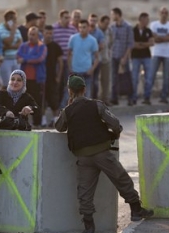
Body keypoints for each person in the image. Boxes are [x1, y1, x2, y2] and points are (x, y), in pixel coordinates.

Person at [54, 75, 154, 233]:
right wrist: (114, 133)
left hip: (83, 157)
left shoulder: (68, 111)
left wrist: (66, 109)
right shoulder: (96, 105)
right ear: (84, 89)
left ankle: (89, 226)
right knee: (122, 179)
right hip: (102, 152)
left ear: (69, 91)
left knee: (85, 192)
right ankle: (136, 210)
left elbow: (59, 127)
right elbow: (115, 124)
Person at [17, 26, 47, 128]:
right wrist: (30, 58)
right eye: (30, 34)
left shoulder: (42, 46)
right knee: (23, 100)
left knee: (37, 101)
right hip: (24, 80)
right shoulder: (23, 46)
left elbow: (39, 58)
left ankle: (37, 123)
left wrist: (25, 59)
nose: (31, 36)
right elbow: (18, 56)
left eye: (34, 34)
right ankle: (23, 122)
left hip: (37, 79)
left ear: (38, 36)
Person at [149, 7, 169, 104]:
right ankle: (147, 96)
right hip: (156, 52)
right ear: (159, 14)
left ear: (168, 14)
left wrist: (159, 37)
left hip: (167, 54)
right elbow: (153, 37)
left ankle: (164, 96)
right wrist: (165, 37)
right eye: (162, 12)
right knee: (151, 75)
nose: (164, 14)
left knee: (166, 76)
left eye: (166, 12)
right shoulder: (153, 24)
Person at [68, 19, 99, 99]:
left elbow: (97, 57)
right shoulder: (73, 38)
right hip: (75, 71)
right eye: (80, 27)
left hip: (86, 72)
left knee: (87, 96)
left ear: (88, 28)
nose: (82, 29)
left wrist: (92, 69)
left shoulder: (92, 40)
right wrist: (70, 67)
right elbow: (69, 54)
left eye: (84, 27)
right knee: (74, 96)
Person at [53, 10, 78, 108]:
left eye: (69, 18)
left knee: (68, 84)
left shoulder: (73, 30)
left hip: (69, 61)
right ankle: (56, 105)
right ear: (60, 18)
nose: (68, 20)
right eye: (65, 18)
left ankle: (65, 105)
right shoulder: (54, 28)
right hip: (57, 61)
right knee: (57, 83)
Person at [110, 7, 134, 106]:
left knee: (127, 77)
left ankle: (130, 98)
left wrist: (125, 57)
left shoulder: (128, 26)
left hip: (124, 55)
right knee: (114, 78)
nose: (112, 16)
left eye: (113, 14)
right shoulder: (112, 27)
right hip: (113, 55)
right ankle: (114, 98)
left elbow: (130, 43)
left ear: (117, 14)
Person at [131, 13, 154, 105]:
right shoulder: (133, 30)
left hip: (146, 56)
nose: (147, 22)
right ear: (140, 20)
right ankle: (133, 97)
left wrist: (140, 44)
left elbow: (152, 43)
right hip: (135, 57)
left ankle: (147, 97)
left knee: (148, 78)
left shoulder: (148, 31)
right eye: (145, 20)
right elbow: (132, 44)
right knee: (134, 78)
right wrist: (145, 44)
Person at [0, 10, 22, 88]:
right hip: (5, 60)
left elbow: (20, 43)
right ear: (8, 20)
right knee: (7, 85)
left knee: (17, 84)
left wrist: (9, 47)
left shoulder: (16, 29)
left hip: (15, 59)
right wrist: (13, 31)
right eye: (14, 19)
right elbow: (8, 42)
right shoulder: (0, 29)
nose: (15, 21)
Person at [43, 25, 63, 126]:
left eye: (51, 33)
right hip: (41, 78)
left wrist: (58, 76)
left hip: (52, 77)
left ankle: (56, 120)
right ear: (43, 33)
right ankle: (43, 120)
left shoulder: (56, 46)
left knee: (54, 99)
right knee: (42, 98)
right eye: (47, 33)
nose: (49, 35)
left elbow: (60, 63)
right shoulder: (40, 45)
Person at [88, 14, 105, 99]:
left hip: (95, 60)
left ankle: (94, 98)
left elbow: (101, 46)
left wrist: (92, 48)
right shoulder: (85, 31)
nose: (92, 22)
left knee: (95, 81)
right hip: (86, 61)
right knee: (87, 81)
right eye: (91, 20)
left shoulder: (99, 33)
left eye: (94, 20)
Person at [98, 15, 113, 105]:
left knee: (106, 80)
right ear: (101, 22)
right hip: (96, 59)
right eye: (105, 23)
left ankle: (105, 99)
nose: (106, 25)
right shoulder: (96, 31)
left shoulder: (109, 31)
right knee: (96, 81)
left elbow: (111, 43)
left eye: (108, 24)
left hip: (106, 58)